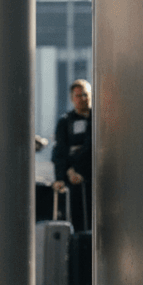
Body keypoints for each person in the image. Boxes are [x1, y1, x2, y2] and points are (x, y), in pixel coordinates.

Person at [53, 78, 92, 232]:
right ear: (72, 98)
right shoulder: (65, 122)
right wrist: (64, 174)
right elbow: (59, 151)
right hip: (74, 181)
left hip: (95, 180)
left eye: (85, 94)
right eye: (78, 95)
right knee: (77, 224)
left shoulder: (99, 119)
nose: (82, 99)